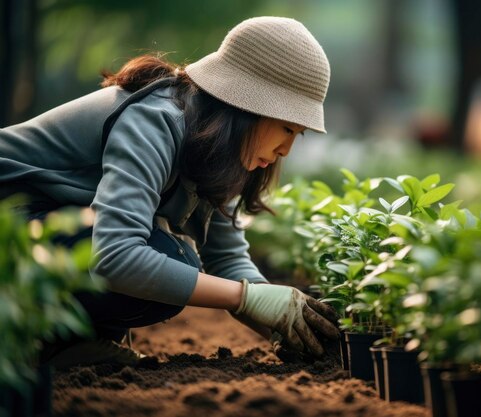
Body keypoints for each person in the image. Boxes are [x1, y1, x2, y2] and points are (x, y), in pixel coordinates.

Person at [0, 16, 339, 368]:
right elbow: (115, 258)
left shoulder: (214, 148)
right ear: (247, 108)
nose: (286, 150)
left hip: (39, 234)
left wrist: (283, 322)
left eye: (297, 134)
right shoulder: (157, 119)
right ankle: (48, 340)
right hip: (10, 230)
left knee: (170, 260)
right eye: (286, 127)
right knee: (170, 260)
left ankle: (65, 346)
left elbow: (227, 260)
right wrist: (245, 297)